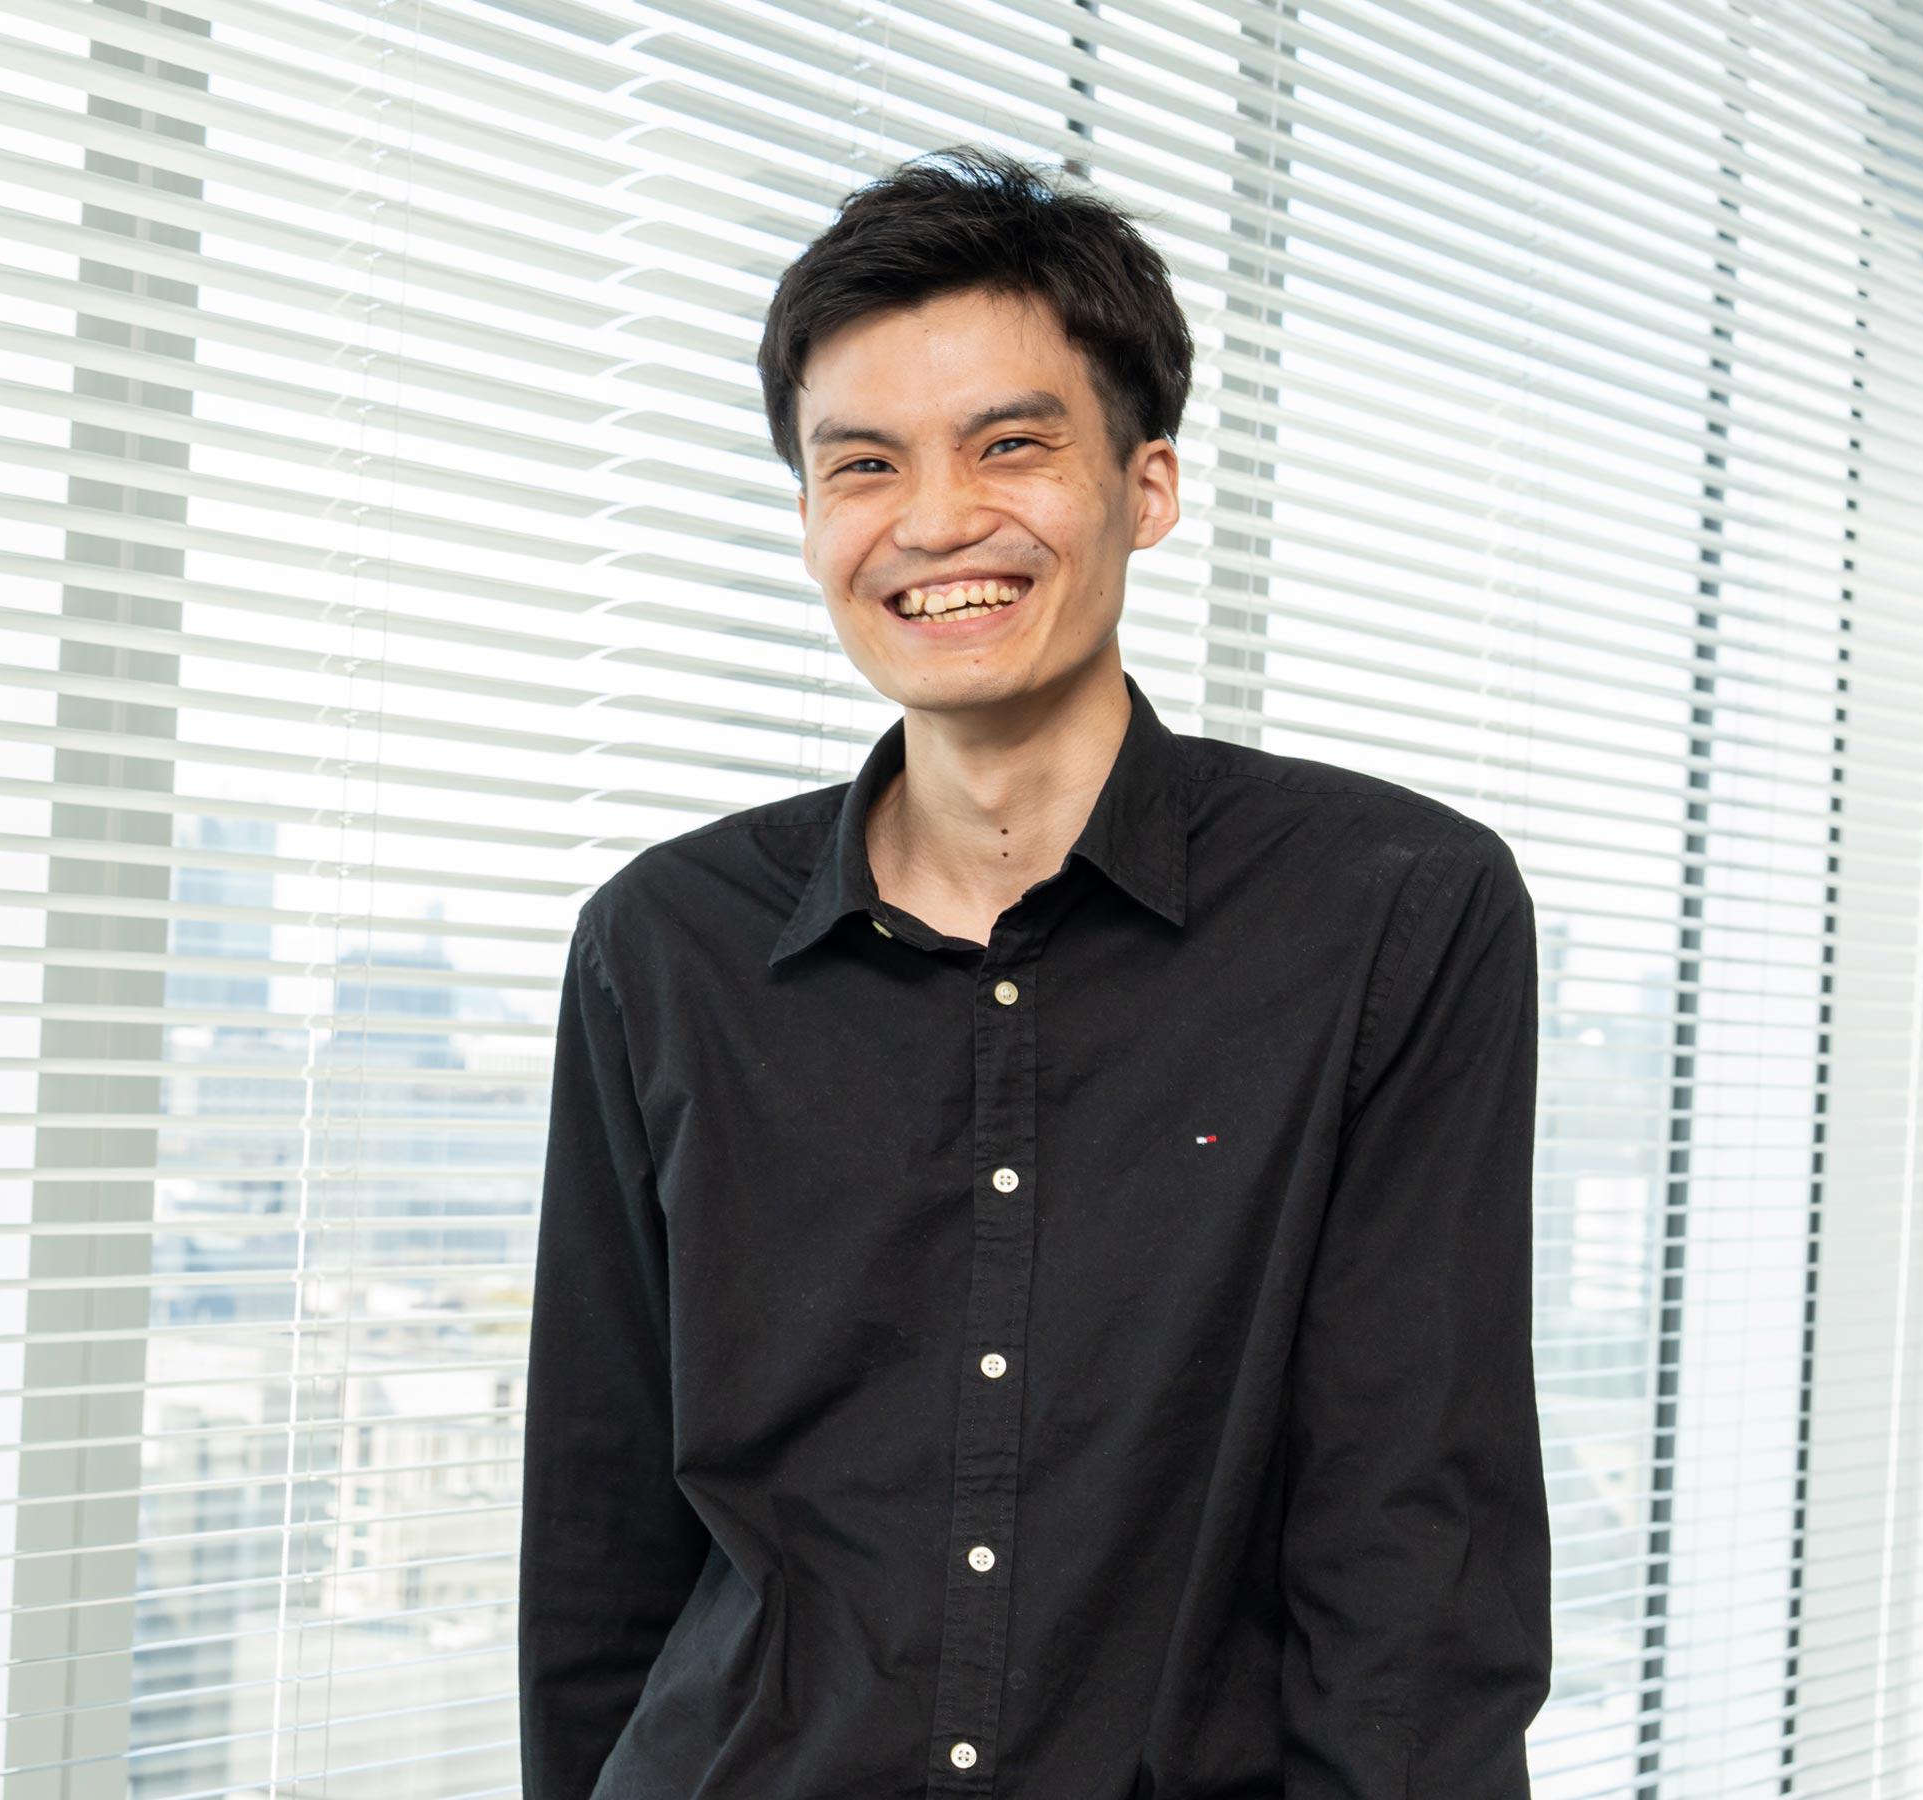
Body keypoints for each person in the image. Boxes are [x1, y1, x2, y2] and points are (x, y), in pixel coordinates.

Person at [517, 147, 1549, 1798]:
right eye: (864, 465)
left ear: (1148, 484)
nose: (934, 521)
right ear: (809, 520)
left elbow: (1412, 1555)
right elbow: (599, 1534)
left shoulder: (1394, 914)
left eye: (1011, 445)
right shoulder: (664, 942)